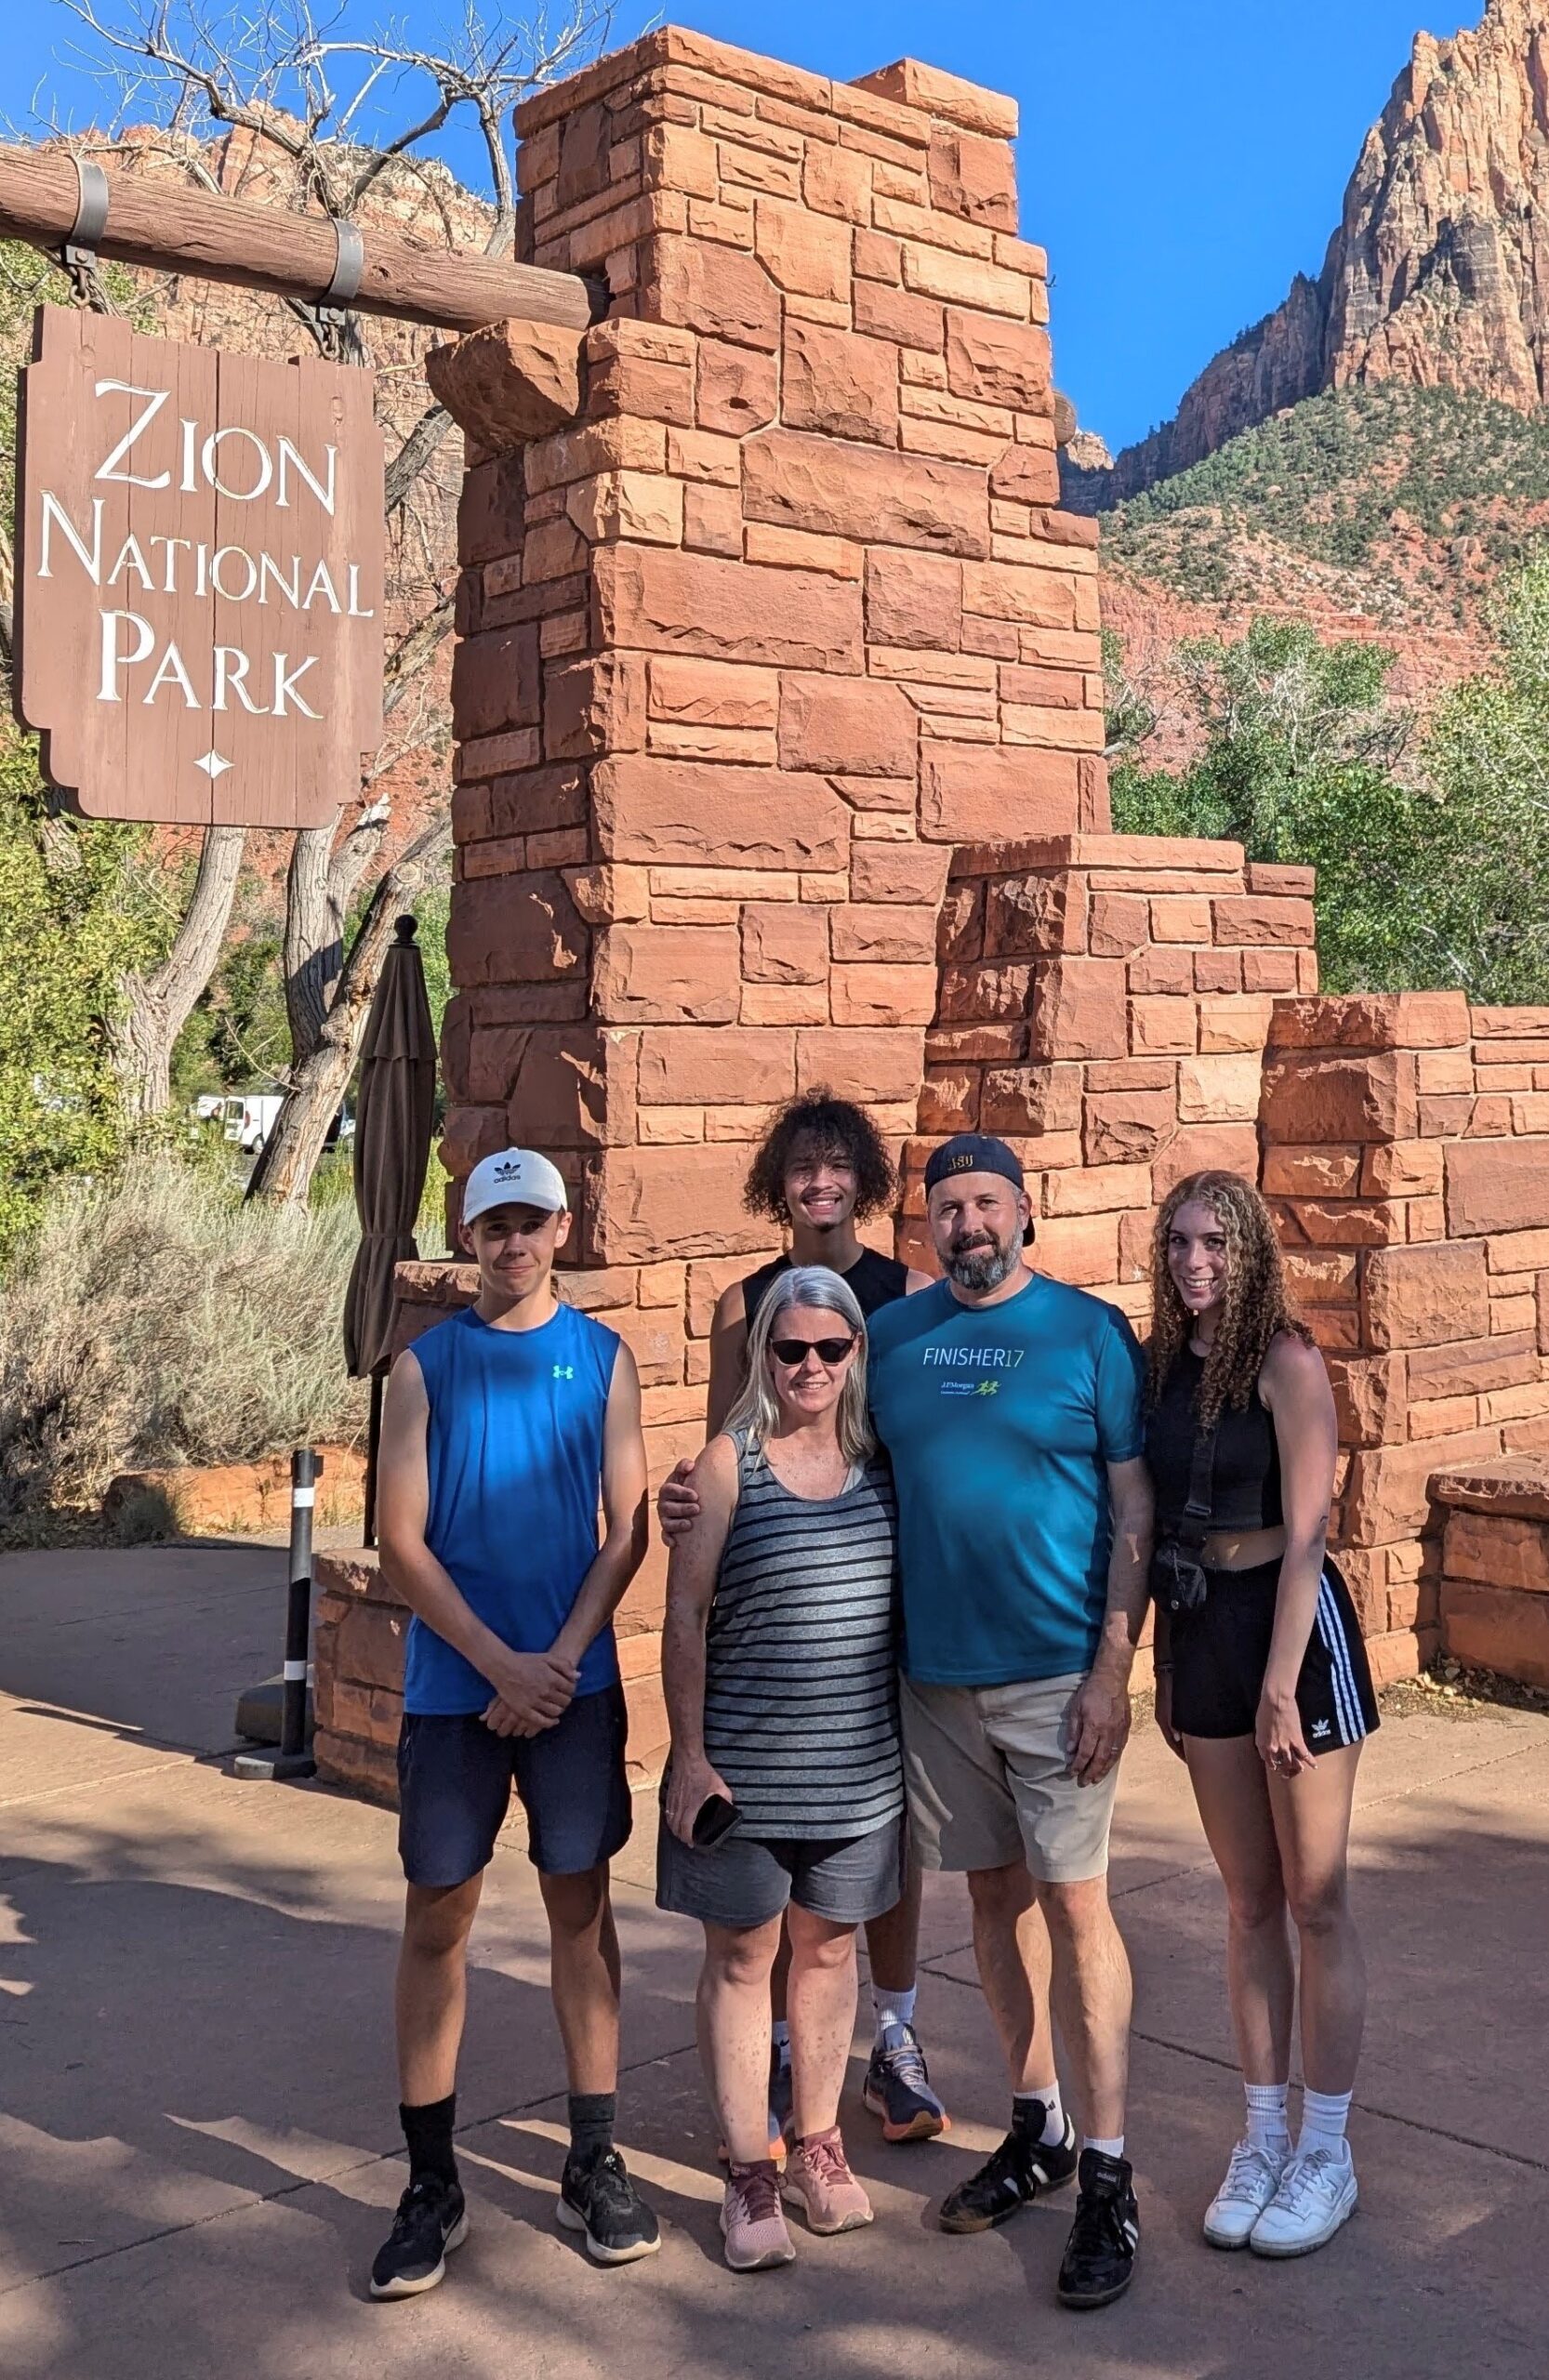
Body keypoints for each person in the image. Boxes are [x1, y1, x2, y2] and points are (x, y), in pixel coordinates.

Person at [866, 1134, 1154, 2311]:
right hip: (935, 1678)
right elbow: (807, 1446)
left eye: (987, 1203)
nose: (968, 1224)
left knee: (1077, 1906)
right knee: (991, 1899)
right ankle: (1033, 2123)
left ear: (1024, 1214)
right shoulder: (889, 1339)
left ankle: (1109, 2169)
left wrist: (1113, 1667)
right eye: (947, 1208)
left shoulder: (1089, 1332)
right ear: (927, 1225)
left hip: (1057, 1674)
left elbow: (1132, 1501)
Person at [369, 1146, 658, 2298]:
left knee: (579, 1911)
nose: (512, 1242)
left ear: (561, 1225)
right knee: (439, 1916)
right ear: (467, 1231)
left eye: (531, 1221)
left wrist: (562, 1662)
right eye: (493, 1224)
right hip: (458, 1692)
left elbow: (627, 1526)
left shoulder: (601, 1358)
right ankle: (431, 2181)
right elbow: (400, 1537)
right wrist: (500, 1665)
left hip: (570, 1688)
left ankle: (593, 2154)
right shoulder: (422, 1366)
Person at [699, 1091, 946, 2151]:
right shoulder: (740, 1303)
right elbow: (724, 1441)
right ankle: (788, 2051)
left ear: (867, 1178)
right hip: (779, 1600)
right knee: (775, 1860)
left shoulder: (906, 1297)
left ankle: (893, 2035)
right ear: (777, 1183)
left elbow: (928, 1440)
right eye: (802, 1166)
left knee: (885, 1838)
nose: (820, 1181)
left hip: (885, 1586)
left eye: (839, 1163)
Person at [1145, 1170, 1377, 2259]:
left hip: (1291, 1631)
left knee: (1314, 1899)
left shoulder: (1285, 1361)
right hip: (1203, 1630)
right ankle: (1264, 2133)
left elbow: (1310, 1529)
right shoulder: (1162, 1371)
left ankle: (1327, 2148)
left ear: (1251, 1254)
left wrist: (1282, 1679)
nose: (1197, 1262)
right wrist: (1163, 1664)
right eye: (1182, 1243)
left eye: (1218, 1244)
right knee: (1247, 1903)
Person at [658, 1267, 905, 2271]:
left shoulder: (886, 1465)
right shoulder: (727, 1464)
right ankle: (748, 2171)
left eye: (830, 1349)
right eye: (788, 1348)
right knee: (740, 1957)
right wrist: (687, 1756)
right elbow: (684, 1615)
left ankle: (818, 2145)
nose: (809, 1366)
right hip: (746, 1774)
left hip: (857, 1772)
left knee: (830, 1952)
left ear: (856, 1355)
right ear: (762, 1353)